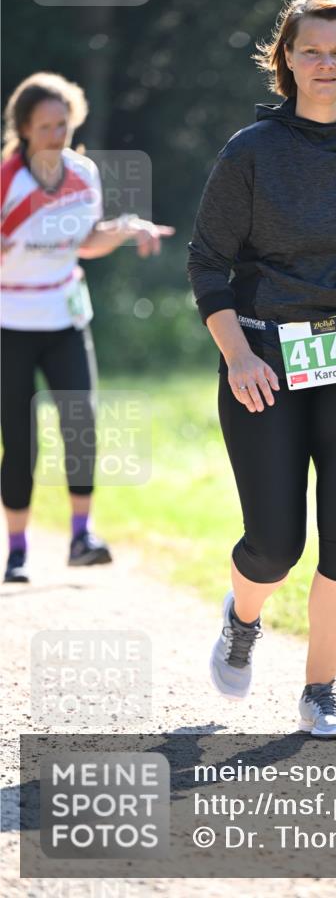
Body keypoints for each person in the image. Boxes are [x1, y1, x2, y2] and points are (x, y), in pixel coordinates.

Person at [187, 0, 336, 737]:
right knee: (274, 544)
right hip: (262, 357)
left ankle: (320, 690)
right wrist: (236, 357)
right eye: (310, 50)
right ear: (285, 59)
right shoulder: (249, 152)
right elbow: (207, 264)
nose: (325, 64)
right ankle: (244, 616)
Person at [1, 72, 174, 583]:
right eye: (46, 126)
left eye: (63, 123)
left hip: (66, 316)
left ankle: (82, 536)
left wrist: (126, 229)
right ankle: (16, 549)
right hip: (11, 321)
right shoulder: (9, 179)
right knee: (21, 439)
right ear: (25, 129)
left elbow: (86, 241)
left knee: (81, 425)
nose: (56, 134)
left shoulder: (83, 174)